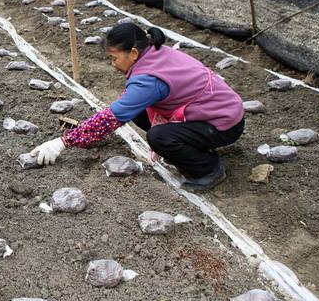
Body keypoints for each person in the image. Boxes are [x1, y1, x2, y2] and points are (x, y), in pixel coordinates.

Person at [28, 24, 244, 191]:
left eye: (113, 58)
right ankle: (192, 147)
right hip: (214, 112)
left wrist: (63, 142)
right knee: (140, 112)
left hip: (224, 123)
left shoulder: (149, 79)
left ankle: (209, 170)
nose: (112, 64)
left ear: (132, 53)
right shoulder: (155, 53)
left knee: (160, 137)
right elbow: (124, 106)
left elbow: (112, 118)